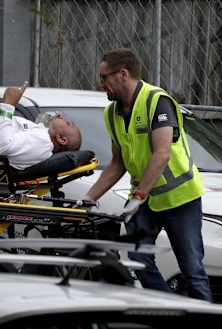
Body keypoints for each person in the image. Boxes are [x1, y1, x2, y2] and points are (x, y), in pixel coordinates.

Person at [76, 48, 211, 301]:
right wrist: (89, 197)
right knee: (138, 258)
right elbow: (118, 164)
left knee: (192, 269)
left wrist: (137, 197)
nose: (100, 84)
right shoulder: (111, 113)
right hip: (145, 199)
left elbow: (162, 155)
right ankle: (169, 310)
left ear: (122, 74)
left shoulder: (157, 101)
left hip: (179, 198)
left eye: (104, 77)